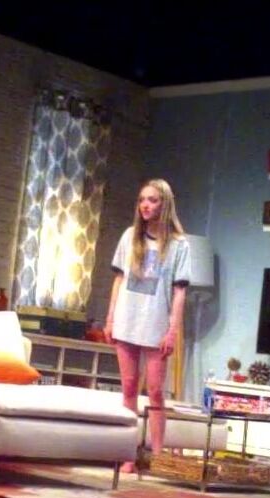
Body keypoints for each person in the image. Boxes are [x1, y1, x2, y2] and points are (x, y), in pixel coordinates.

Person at [104, 178, 191, 474]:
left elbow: (180, 292)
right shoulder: (130, 236)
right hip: (126, 320)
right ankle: (127, 454)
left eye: (152, 200)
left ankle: (158, 456)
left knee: (155, 391)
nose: (145, 205)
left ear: (164, 204)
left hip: (156, 326)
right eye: (142, 199)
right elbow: (119, 280)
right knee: (129, 387)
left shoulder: (179, 245)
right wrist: (110, 318)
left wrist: (172, 330)